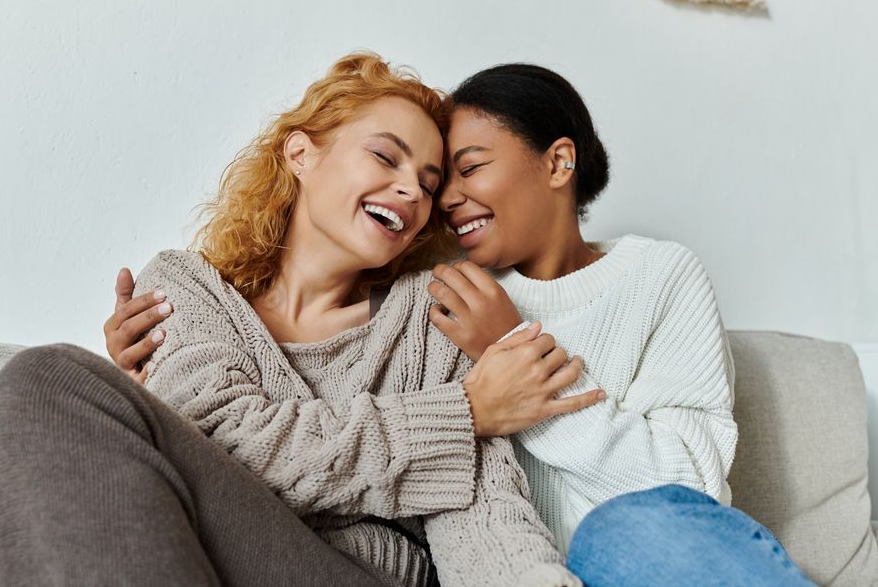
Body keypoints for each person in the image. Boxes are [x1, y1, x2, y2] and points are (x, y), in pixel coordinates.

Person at [0, 52, 598, 587]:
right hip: (186, 562)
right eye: (386, 156)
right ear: (302, 152)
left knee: (49, 378)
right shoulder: (183, 292)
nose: (413, 188)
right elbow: (236, 443)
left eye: (431, 179)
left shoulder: (432, 314)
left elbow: (484, 514)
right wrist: (460, 413)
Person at [107, 62, 815, 585]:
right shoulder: (196, 290)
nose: (430, 195)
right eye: (399, 163)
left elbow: (500, 502)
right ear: (301, 152)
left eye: (450, 172)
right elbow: (228, 440)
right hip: (267, 553)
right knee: (51, 382)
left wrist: (508, 352)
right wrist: (139, 389)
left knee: (626, 530)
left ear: (557, 162)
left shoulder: (631, 280)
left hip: (624, 554)